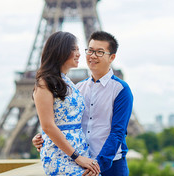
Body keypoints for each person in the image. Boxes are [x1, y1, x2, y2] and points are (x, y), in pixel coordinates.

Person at [33, 31, 134, 176]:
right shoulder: (76, 88)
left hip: (109, 164)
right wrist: (44, 136)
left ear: (112, 57)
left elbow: (118, 133)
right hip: (78, 159)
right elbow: (62, 120)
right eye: (90, 50)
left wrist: (98, 164)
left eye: (99, 52)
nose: (92, 55)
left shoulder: (121, 90)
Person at [33, 31, 100, 175]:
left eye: (78, 49)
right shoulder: (44, 83)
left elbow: (61, 118)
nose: (79, 54)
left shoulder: (67, 82)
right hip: (62, 155)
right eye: (74, 49)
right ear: (60, 51)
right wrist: (77, 157)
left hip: (80, 150)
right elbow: (48, 125)